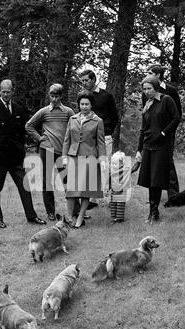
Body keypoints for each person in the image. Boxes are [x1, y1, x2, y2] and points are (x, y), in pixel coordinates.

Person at [0, 79, 46, 228]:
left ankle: (32, 216)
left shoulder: (18, 108)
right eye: (3, 92)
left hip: (16, 157)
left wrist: (22, 148)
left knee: (25, 186)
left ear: (13, 91)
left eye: (8, 91)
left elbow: (22, 131)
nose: (5, 94)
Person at [25, 83, 75, 221]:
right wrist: (39, 138)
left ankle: (73, 211)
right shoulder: (44, 111)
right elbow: (29, 125)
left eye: (56, 96)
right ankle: (50, 212)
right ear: (49, 96)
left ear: (61, 96)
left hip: (63, 150)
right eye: (52, 96)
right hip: (47, 149)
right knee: (47, 181)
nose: (54, 99)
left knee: (67, 180)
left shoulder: (68, 112)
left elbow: (75, 128)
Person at [136, 75, 181, 223]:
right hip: (148, 145)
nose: (146, 91)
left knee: (157, 179)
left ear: (156, 87)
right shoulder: (147, 104)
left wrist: (163, 133)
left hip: (162, 146)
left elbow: (176, 118)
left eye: (149, 88)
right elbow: (143, 129)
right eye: (144, 89)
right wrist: (139, 149)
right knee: (149, 180)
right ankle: (152, 212)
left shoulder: (166, 100)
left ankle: (155, 213)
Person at [62, 90, 106, 228]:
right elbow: (66, 140)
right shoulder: (72, 119)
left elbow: (101, 142)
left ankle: (81, 216)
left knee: (85, 190)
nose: (84, 106)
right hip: (73, 157)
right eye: (82, 104)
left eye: (87, 104)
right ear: (78, 104)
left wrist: (103, 158)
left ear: (91, 105)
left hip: (90, 158)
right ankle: (69, 218)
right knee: (71, 190)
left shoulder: (98, 121)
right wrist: (64, 157)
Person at [79, 69, 118, 209]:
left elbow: (114, 117)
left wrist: (106, 131)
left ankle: (103, 199)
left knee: (103, 167)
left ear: (93, 79)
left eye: (86, 80)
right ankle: (89, 199)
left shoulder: (105, 96)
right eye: (82, 81)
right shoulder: (82, 96)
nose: (84, 83)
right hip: (88, 139)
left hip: (104, 137)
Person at [142, 64, 182, 199]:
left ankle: (174, 194)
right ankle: (154, 194)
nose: (147, 75)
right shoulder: (147, 92)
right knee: (154, 165)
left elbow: (177, 115)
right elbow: (147, 113)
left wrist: (166, 133)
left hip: (167, 133)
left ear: (158, 75)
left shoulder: (171, 91)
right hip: (152, 134)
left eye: (150, 72)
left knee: (168, 162)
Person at [109, 149, 131, 224]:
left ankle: (119, 218)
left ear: (122, 164)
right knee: (113, 205)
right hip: (113, 191)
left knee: (120, 205)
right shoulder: (111, 172)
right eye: (112, 164)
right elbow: (108, 180)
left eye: (116, 164)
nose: (113, 166)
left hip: (121, 191)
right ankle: (113, 218)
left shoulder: (124, 172)